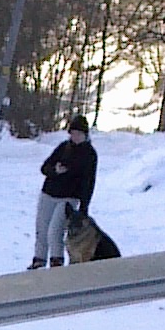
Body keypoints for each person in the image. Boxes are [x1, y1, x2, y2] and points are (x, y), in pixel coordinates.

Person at [32, 114, 98, 269]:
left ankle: (56, 262)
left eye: (78, 134)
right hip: (48, 194)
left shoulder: (89, 154)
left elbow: (89, 182)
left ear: (85, 135)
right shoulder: (63, 147)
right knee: (42, 229)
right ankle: (38, 261)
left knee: (55, 231)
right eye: (72, 133)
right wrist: (55, 170)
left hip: (69, 198)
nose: (75, 137)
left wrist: (84, 206)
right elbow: (44, 168)